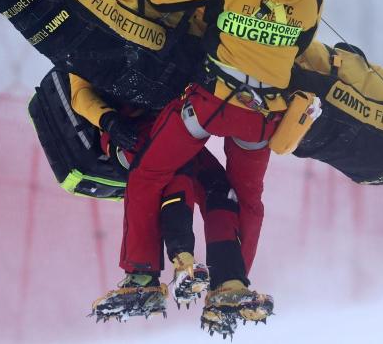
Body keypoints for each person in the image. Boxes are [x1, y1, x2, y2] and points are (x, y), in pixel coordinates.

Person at [103, 0, 323, 326]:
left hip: (211, 104)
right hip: (263, 117)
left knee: (148, 173)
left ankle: (142, 279)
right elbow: (297, 48)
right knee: (246, 199)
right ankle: (231, 286)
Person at [70, 74, 258, 336]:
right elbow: (79, 93)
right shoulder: (83, 38)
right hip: (129, 133)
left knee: (219, 189)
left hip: (171, 124)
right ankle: (146, 275)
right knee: (175, 172)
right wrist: (109, 121)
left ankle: (228, 281)